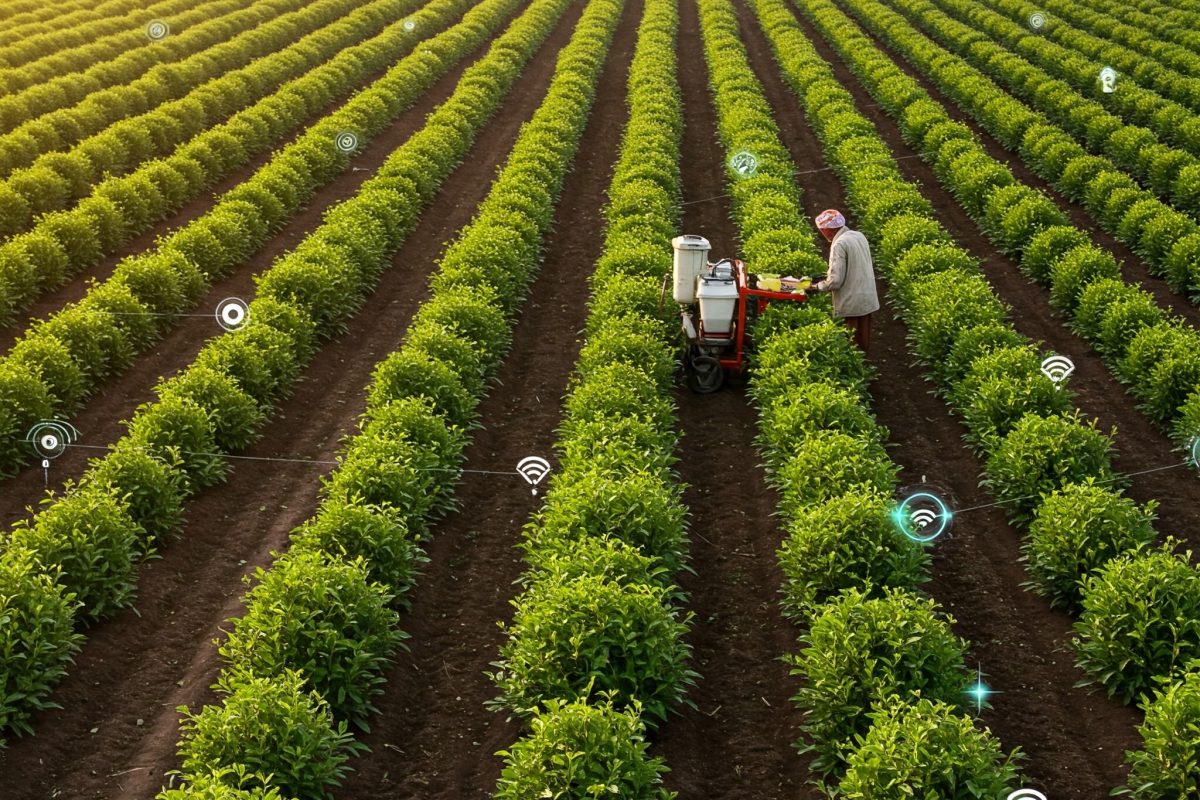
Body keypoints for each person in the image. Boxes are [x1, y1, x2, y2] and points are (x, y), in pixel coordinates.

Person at [808, 208, 879, 352]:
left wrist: (816, 287)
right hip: (867, 297)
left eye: (822, 230)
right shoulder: (859, 236)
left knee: (851, 345)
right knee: (862, 344)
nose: (822, 233)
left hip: (852, 302)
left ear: (828, 230)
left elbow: (835, 281)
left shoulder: (839, 244)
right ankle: (862, 371)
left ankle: (854, 372)